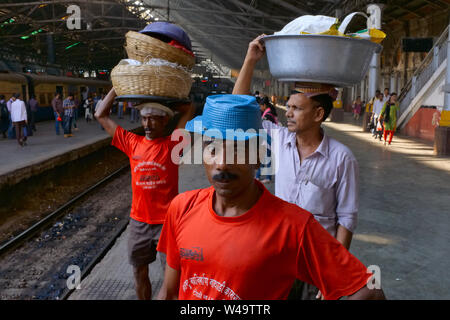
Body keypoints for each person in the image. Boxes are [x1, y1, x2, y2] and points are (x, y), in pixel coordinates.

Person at [156, 94, 385, 301]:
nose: (222, 163)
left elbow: (369, 290)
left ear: (258, 157)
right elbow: (169, 291)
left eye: (237, 149)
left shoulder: (294, 227)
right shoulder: (182, 208)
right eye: (212, 149)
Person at [233, 35, 361, 300]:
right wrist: (250, 59)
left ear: (317, 114)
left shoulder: (341, 158)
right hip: (276, 254)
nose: (287, 113)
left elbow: (346, 218)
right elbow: (237, 110)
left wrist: (334, 272)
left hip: (317, 261)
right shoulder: (278, 140)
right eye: (288, 107)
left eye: (296, 108)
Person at [95, 88, 194, 300]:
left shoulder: (173, 145)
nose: (146, 125)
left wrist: (168, 102)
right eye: (143, 118)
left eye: (153, 119)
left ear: (165, 121)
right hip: (138, 222)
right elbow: (100, 115)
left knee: (173, 279)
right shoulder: (132, 143)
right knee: (139, 273)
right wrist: (116, 89)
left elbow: (189, 109)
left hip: (167, 223)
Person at [256, 96, 277, 183]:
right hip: (269, 140)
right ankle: (259, 176)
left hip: (267, 140)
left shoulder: (267, 116)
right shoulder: (270, 113)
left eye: (260, 106)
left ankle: (264, 177)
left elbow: (265, 130)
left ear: (264, 105)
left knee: (265, 159)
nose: (260, 108)